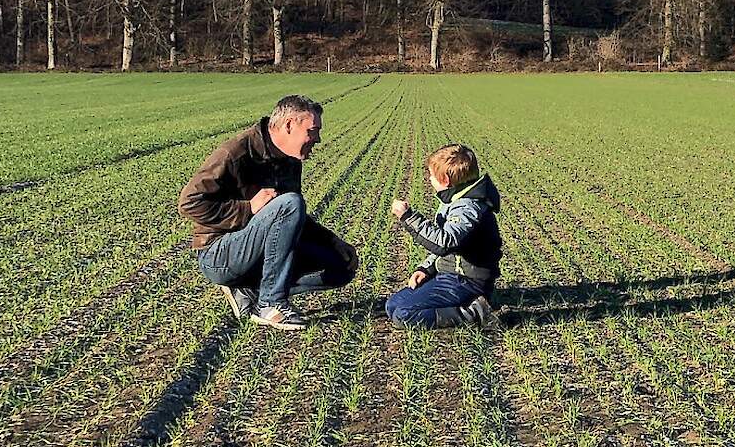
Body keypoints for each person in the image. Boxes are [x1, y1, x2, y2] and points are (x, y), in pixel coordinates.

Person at [178, 95, 358, 330]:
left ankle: (251, 289)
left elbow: (291, 217)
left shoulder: (290, 161)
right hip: (220, 253)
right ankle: (270, 303)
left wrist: (333, 241)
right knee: (290, 202)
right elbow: (189, 203)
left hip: (259, 253)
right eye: (312, 131)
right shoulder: (235, 153)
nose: (318, 139)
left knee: (341, 266)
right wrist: (248, 208)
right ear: (289, 125)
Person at [386, 144, 501, 329]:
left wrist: (408, 217)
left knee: (404, 315)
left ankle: (475, 314)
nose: (429, 179)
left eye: (431, 175)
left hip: (468, 280)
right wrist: (426, 269)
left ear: (445, 180)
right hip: (450, 274)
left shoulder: (468, 208)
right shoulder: (454, 199)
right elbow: (448, 245)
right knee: (392, 305)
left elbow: (444, 243)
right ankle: (466, 305)